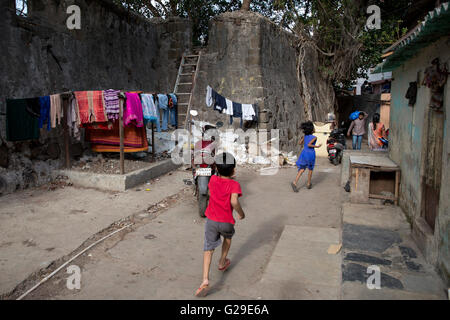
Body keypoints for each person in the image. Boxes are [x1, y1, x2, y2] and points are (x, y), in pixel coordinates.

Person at [195, 152, 245, 297]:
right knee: (228, 239)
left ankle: (204, 280)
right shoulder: (234, 184)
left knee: (208, 249)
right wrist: (241, 214)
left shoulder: (212, 180)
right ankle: (222, 262)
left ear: (216, 168)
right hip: (226, 221)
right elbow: (234, 202)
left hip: (211, 221)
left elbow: (211, 192)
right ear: (234, 170)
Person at [291, 121, 321, 192]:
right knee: (310, 169)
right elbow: (309, 145)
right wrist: (317, 146)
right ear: (311, 129)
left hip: (304, 153)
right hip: (310, 154)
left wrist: (302, 139)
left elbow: (299, 143)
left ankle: (295, 182)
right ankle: (308, 183)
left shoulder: (305, 136)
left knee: (302, 169)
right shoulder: (314, 137)